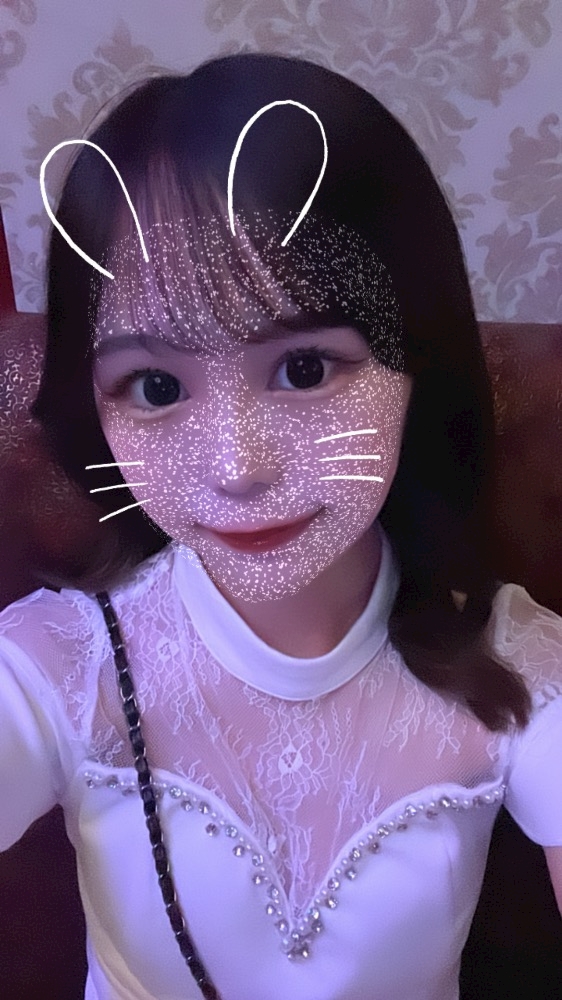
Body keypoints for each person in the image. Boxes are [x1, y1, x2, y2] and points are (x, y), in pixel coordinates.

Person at [0, 52, 560, 1000]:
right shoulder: (59, 668)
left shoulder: (518, 672)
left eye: (305, 369)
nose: (237, 467)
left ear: (415, 364)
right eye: (157, 386)